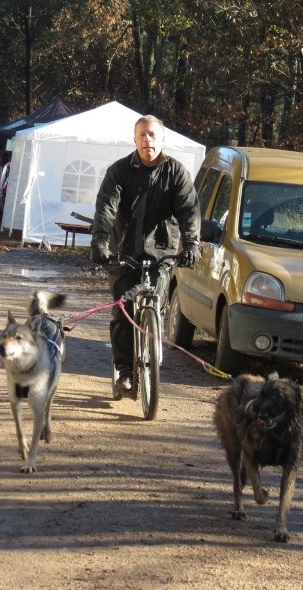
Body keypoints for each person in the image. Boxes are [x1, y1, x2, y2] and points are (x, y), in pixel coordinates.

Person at [90, 115, 201, 397]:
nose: (147, 140)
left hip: (161, 252)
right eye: (141, 135)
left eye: (152, 134)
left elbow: (189, 211)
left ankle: (152, 344)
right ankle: (125, 370)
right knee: (123, 313)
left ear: (162, 139)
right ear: (135, 139)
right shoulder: (119, 171)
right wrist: (101, 243)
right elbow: (106, 208)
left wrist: (192, 244)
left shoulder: (176, 173)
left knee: (156, 304)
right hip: (124, 252)